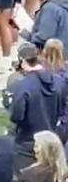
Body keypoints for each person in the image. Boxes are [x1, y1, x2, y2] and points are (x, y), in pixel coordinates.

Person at [7, 43, 63, 173]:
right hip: (51, 139)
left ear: (22, 61)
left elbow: (17, 116)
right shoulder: (57, 82)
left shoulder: (23, 86)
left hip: (27, 143)